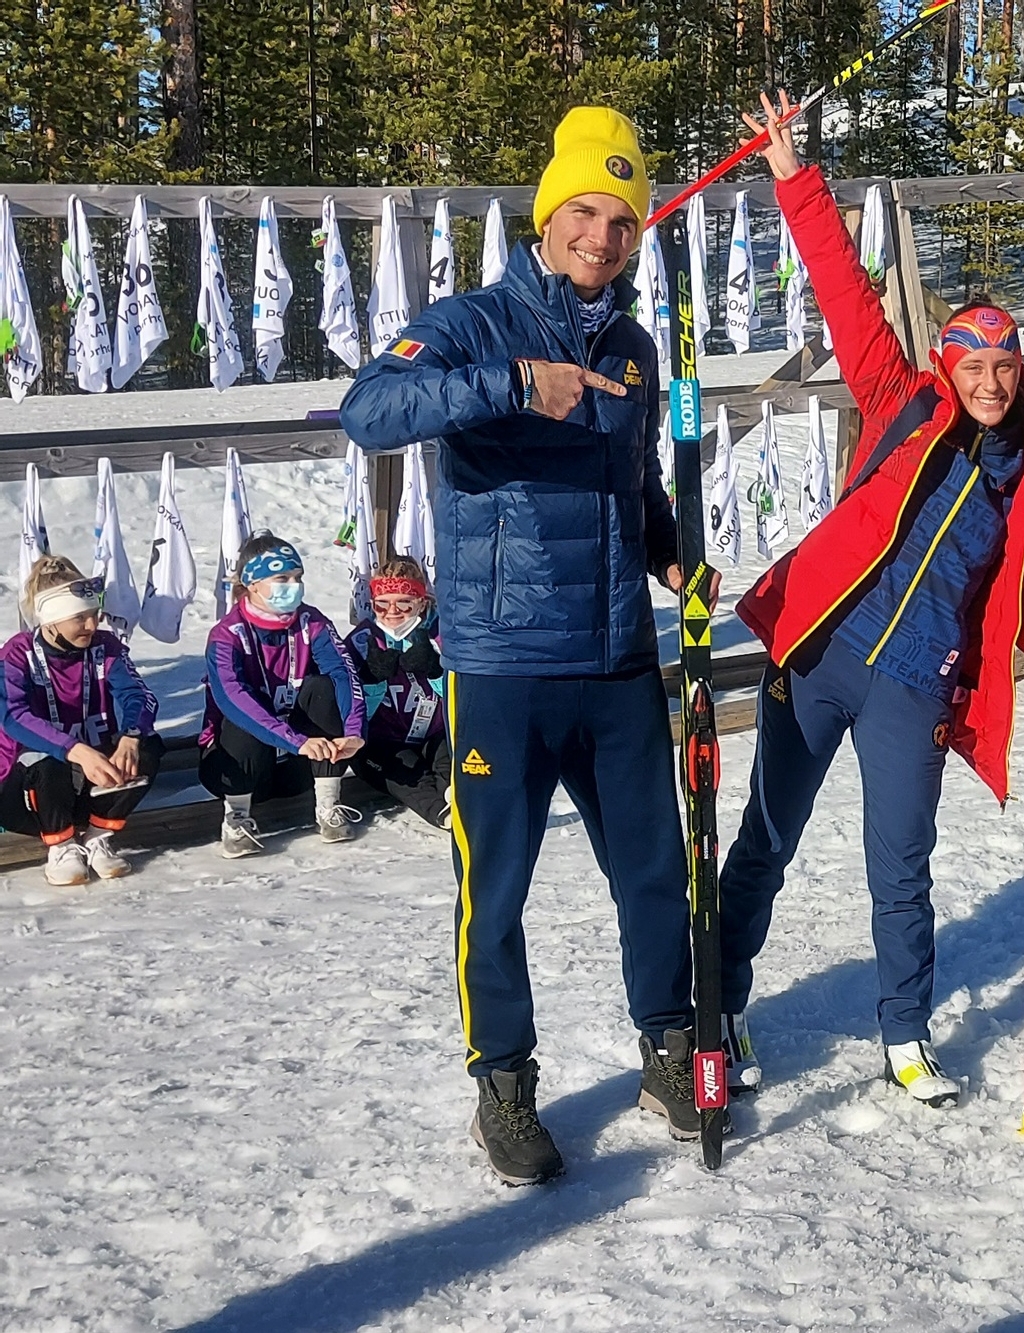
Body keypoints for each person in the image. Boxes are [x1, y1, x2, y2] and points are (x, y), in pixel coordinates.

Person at [718, 94, 1024, 1109]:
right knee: (767, 838)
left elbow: (1018, 602)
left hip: (913, 684)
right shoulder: (900, 401)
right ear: (948, 363)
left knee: (901, 868)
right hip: (820, 650)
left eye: (1003, 367)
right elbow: (845, 293)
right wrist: (794, 175)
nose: (989, 382)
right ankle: (717, 1003)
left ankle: (904, 1033)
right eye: (973, 365)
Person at [340, 106, 710, 1186]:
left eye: (623, 221)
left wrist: (669, 554)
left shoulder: (635, 348)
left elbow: (634, 485)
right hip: (503, 664)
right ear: (546, 216)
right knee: (494, 889)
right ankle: (502, 1082)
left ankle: (669, 1045)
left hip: (618, 660)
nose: (603, 236)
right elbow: (369, 410)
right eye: (584, 212)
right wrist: (511, 384)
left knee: (653, 871)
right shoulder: (472, 323)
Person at [199, 533, 367, 857]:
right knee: (244, 710)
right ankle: (237, 819)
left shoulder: (311, 621)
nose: (294, 585)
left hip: (301, 765)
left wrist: (354, 731)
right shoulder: (226, 634)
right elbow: (232, 697)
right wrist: (295, 741)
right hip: (239, 770)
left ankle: (328, 805)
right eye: (282, 579)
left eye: (297, 577)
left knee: (322, 688)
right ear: (252, 584)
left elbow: (343, 673)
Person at [0, 555, 163, 884]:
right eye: (79, 618)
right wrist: (75, 750)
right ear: (50, 621)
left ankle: (97, 836)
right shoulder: (17, 654)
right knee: (48, 763)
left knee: (146, 746)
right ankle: (60, 846)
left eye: (94, 614)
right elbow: (13, 715)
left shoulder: (105, 646)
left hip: (93, 781)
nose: (91, 626)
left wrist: (130, 736)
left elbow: (139, 696)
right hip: (29, 790)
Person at [345, 557, 450, 830]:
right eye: (382, 603)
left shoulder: (442, 634)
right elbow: (348, 714)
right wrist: (371, 681)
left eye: (404, 603)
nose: (392, 612)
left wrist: (436, 672)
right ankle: (443, 815)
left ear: (421, 603)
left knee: (450, 764)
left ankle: (461, 801)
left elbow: (466, 701)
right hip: (384, 741)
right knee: (407, 776)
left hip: (435, 732)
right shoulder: (361, 640)